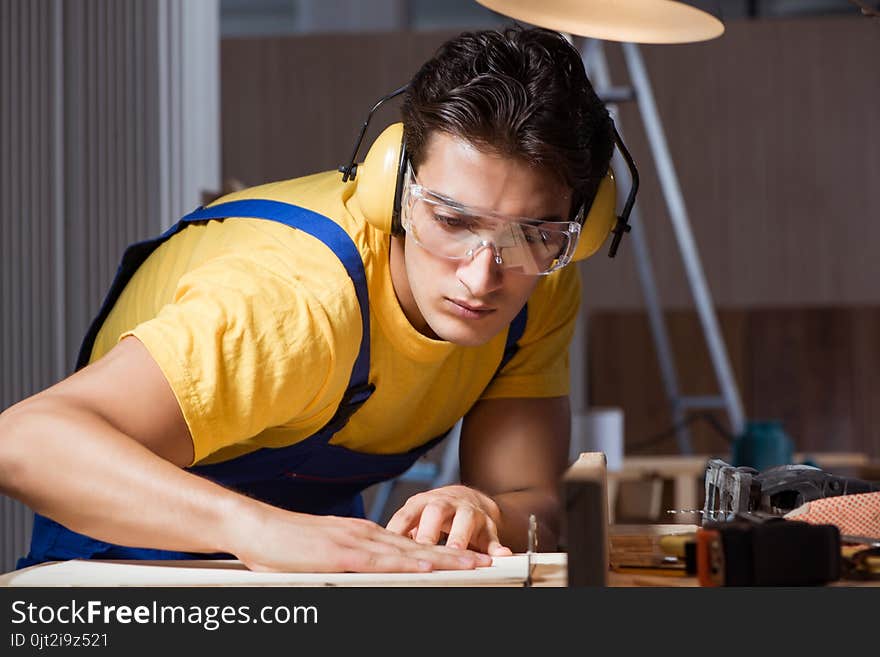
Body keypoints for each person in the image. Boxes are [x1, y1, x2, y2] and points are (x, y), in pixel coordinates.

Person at [0, 25, 619, 574]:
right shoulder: (293, 303)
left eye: (532, 234)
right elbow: (24, 440)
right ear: (392, 189)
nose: (482, 277)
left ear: (578, 231)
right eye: (452, 221)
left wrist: (481, 507)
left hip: (311, 549)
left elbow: (528, 498)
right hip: (122, 551)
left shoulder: (543, 282)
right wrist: (260, 530)